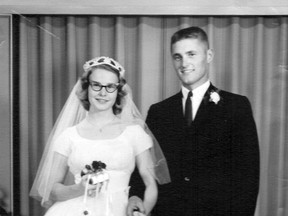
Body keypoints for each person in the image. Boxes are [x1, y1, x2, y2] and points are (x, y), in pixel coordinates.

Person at [128, 26, 260, 215]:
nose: (184, 63)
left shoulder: (236, 106)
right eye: (177, 56)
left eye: (191, 54)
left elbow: (248, 176)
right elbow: (147, 165)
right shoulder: (159, 112)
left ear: (209, 55)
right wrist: (135, 195)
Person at [30, 56, 170, 216]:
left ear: (118, 91)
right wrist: (79, 189)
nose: (103, 93)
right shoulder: (69, 136)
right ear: (86, 87)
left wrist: (143, 210)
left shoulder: (134, 133)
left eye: (110, 86)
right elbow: (51, 189)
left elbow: (150, 183)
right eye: (96, 85)